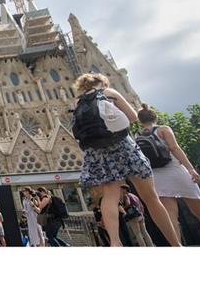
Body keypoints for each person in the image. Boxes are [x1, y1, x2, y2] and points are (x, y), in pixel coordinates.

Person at [74, 73, 181, 247]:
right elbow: (133, 117)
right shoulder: (109, 92)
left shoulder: (78, 102)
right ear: (102, 82)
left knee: (109, 196)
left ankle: (115, 243)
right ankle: (176, 245)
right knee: (151, 198)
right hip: (123, 146)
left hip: (98, 152)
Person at [137, 103, 200, 246]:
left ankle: (177, 247)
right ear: (155, 117)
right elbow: (174, 148)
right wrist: (191, 169)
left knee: (171, 217)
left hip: (158, 176)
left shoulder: (138, 135)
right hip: (176, 171)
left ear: (140, 121)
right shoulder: (163, 129)